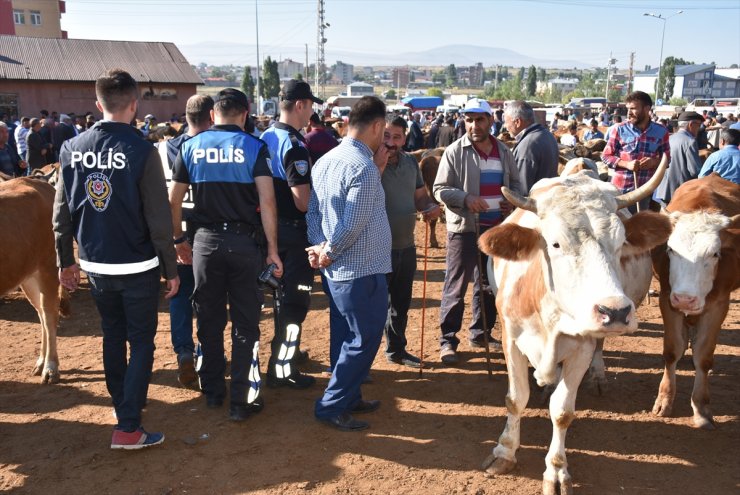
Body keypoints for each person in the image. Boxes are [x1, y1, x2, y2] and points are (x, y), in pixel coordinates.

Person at [53, 68, 179, 450]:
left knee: (113, 335)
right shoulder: (142, 150)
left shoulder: (71, 148)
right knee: (141, 342)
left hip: (95, 263)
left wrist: (65, 261)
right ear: (135, 105)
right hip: (138, 264)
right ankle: (128, 425)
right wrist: (171, 269)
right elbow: (158, 218)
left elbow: (61, 214)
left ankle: (124, 405)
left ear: (98, 104)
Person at [170, 88, 282, 422]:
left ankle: (214, 393)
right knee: (246, 324)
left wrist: (178, 239)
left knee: (209, 319)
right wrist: (273, 250)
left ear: (213, 114)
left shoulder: (189, 147)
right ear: (245, 114)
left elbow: (173, 199)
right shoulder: (255, 147)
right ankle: (240, 402)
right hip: (245, 244)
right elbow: (268, 202)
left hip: (204, 243)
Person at [306, 95, 390, 431]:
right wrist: (328, 251)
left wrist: (319, 246)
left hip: (338, 269)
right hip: (359, 269)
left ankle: (350, 395)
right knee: (365, 338)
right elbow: (352, 223)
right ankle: (331, 405)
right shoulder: (364, 167)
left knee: (349, 335)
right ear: (376, 126)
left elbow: (313, 212)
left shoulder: (325, 161)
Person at [433, 98, 523, 365]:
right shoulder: (454, 151)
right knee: (456, 285)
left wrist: (512, 200)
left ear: (490, 121)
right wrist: (465, 198)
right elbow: (439, 189)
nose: (474, 125)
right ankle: (447, 341)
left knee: (488, 284)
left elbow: (517, 185)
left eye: (479, 119)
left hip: (496, 230)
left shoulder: (504, 152)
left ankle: (481, 333)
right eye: (469, 120)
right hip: (465, 229)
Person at [260, 79, 323, 389]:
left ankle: (282, 358)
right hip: (293, 235)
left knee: (277, 303)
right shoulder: (294, 144)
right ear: (300, 105)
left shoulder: (264, 136)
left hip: (266, 234)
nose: (311, 112)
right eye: (310, 106)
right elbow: (303, 201)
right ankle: (283, 369)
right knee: (295, 306)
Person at [157, 94, 214, 387]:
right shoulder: (212, 150)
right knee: (208, 297)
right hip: (206, 236)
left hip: (173, 236)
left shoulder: (161, 150)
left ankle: (184, 352)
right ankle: (206, 352)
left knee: (178, 296)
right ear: (211, 116)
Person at [379, 116, 441, 368]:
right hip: (376, 249)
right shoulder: (368, 163)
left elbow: (420, 198)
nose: (391, 143)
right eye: (386, 136)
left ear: (405, 138)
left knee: (401, 304)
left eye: (396, 137)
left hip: (406, 246)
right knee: (372, 308)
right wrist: (378, 165)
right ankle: (360, 362)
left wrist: (430, 207)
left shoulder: (410, 164)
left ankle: (397, 350)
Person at [602, 91, 670, 212]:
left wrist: (653, 162)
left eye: (633, 108)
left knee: (638, 227)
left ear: (647, 108)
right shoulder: (619, 129)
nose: (629, 113)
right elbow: (606, 156)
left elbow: (667, 160)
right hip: (619, 191)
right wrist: (626, 164)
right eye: (628, 108)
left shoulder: (661, 132)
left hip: (644, 191)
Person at [504, 100, 559, 194]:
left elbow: (522, 191)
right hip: (547, 199)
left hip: (533, 204)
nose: (505, 126)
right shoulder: (547, 135)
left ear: (517, 122)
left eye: (506, 122)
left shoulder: (527, 146)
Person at [654, 111, 704, 207]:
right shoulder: (690, 141)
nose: (699, 129)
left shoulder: (669, 138)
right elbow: (694, 171)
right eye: (698, 125)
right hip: (680, 192)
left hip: (663, 189)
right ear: (691, 124)